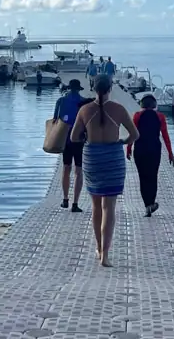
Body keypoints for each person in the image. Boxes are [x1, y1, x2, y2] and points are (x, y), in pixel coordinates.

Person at [71, 76, 138, 267]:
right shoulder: (118, 109)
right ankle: (105, 255)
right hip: (113, 158)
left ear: (93, 88)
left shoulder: (85, 110)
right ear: (110, 88)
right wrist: (122, 142)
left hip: (92, 157)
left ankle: (99, 247)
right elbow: (135, 134)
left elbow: (74, 137)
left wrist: (86, 138)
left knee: (96, 206)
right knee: (109, 207)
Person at [126, 93, 174, 216]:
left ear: (142, 104)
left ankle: (147, 205)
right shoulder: (160, 116)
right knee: (153, 177)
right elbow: (165, 136)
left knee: (143, 177)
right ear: (154, 104)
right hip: (154, 150)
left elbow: (133, 133)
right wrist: (170, 153)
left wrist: (128, 148)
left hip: (140, 150)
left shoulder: (137, 116)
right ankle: (151, 203)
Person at [54, 79, 93, 212]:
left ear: (69, 88)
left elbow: (55, 119)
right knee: (78, 170)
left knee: (66, 168)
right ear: (79, 89)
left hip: (65, 139)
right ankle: (75, 203)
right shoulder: (84, 102)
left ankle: (65, 199)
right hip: (79, 139)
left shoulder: (61, 101)